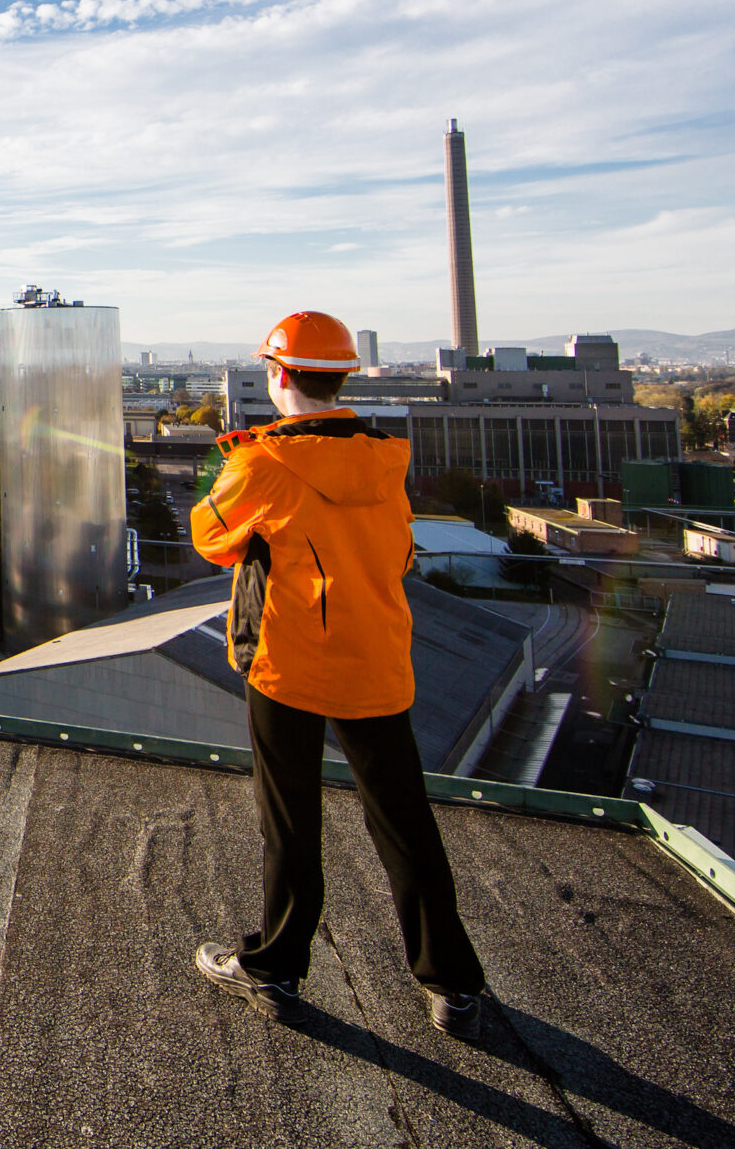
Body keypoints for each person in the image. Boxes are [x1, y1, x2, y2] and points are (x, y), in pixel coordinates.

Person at [187, 310, 486, 1035]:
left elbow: (210, 537)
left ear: (280, 375)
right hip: (377, 660)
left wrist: (229, 466)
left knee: (290, 824)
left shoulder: (263, 463)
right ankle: (451, 984)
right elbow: (400, 553)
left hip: (288, 664)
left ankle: (276, 968)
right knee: (405, 822)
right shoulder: (385, 460)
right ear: (341, 376)